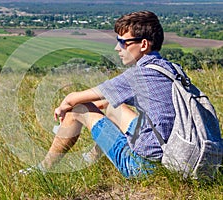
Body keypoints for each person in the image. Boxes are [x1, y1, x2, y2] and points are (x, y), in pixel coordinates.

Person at [22, 10, 180, 178]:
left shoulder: (137, 76)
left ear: (143, 45)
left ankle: (43, 170)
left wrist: (65, 111)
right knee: (113, 105)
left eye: (122, 42)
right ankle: (90, 159)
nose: (117, 48)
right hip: (174, 154)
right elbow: (108, 101)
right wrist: (95, 114)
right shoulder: (173, 69)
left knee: (78, 109)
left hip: (144, 167)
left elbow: (72, 99)